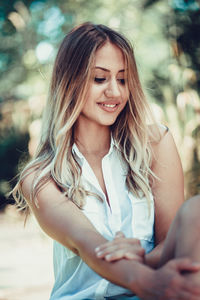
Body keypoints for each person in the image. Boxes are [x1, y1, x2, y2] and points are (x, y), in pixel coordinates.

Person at [12, 22, 200, 300]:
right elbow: (88, 244)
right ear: (70, 82)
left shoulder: (156, 144)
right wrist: (149, 281)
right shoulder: (41, 176)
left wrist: (141, 260)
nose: (115, 92)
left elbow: (169, 244)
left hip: (153, 293)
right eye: (100, 79)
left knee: (196, 211)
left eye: (122, 79)